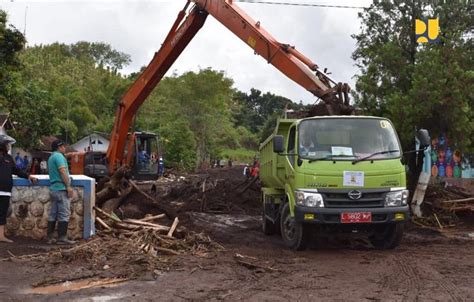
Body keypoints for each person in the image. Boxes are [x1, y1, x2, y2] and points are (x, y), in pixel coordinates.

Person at [0, 135, 37, 243]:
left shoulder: (9, 158)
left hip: (5, 191)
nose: (8, 146)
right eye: (7, 144)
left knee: (2, 214)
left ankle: (1, 236)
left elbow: (17, 171)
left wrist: (28, 176)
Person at [47, 139, 75, 245]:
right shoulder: (59, 157)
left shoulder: (51, 157)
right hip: (61, 189)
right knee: (64, 213)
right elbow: (63, 171)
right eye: (63, 146)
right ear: (59, 147)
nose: (65, 148)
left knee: (53, 214)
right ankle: (62, 237)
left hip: (53, 189)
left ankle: (49, 237)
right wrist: (68, 186)